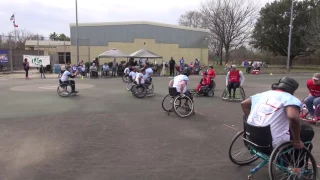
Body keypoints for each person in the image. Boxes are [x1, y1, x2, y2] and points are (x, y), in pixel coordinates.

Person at [241, 77, 314, 151]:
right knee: (307, 131)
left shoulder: (263, 94)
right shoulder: (290, 99)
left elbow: (244, 104)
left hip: (251, 136)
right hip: (272, 142)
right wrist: (297, 141)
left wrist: (253, 120)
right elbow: (293, 117)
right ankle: (296, 160)